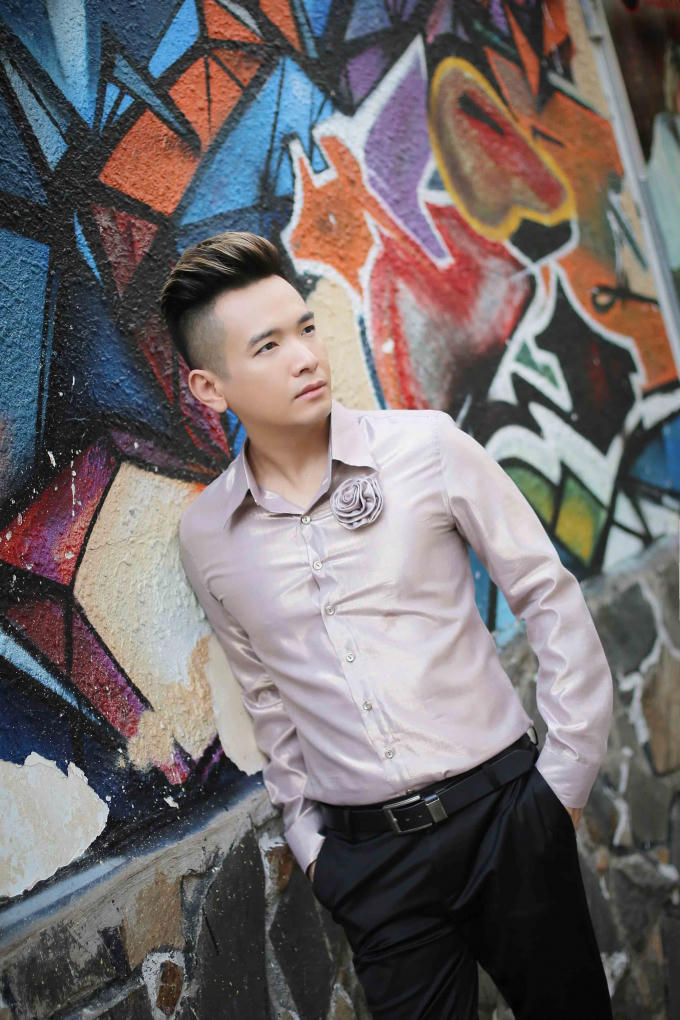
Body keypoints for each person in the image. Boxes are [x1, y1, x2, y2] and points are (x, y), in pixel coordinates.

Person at [160, 231, 614, 1019]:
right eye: (268, 345)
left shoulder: (426, 448)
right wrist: (314, 849)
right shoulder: (209, 536)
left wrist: (561, 787)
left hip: (508, 820)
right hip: (371, 868)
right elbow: (266, 699)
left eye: (305, 328)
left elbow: (547, 594)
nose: (307, 356)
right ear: (210, 386)